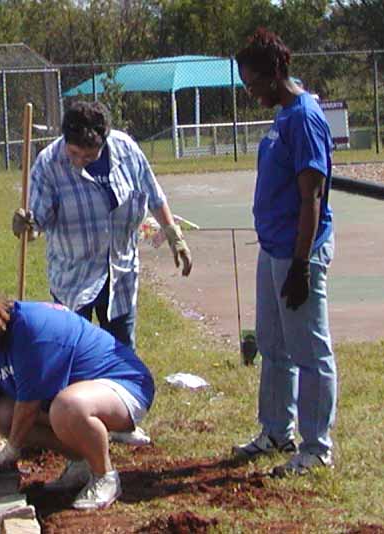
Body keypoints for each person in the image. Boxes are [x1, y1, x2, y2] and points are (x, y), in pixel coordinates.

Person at [12, 100, 190, 445]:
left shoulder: (126, 150)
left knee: (119, 349)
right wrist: (26, 226)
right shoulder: (49, 164)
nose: (78, 160)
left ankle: (122, 424)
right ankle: (65, 425)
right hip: (72, 275)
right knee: (66, 354)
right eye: (74, 153)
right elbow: (38, 222)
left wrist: (174, 236)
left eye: (87, 156)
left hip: (119, 271)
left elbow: (153, 194)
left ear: (104, 141)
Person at [0, 287, 155, 510]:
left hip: (125, 387)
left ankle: (105, 476)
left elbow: (29, 405)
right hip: (77, 397)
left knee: (67, 407)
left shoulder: (32, 329)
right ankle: (82, 462)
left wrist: (10, 451)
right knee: (2, 413)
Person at [231, 28, 336, 476]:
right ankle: (277, 430)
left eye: (253, 83)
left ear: (276, 74)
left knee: (309, 350)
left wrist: (301, 264)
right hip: (272, 248)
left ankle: (316, 446)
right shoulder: (282, 115)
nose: (250, 91)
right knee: (275, 346)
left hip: (297, 253)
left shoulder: (305, 117)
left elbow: (311, 197)